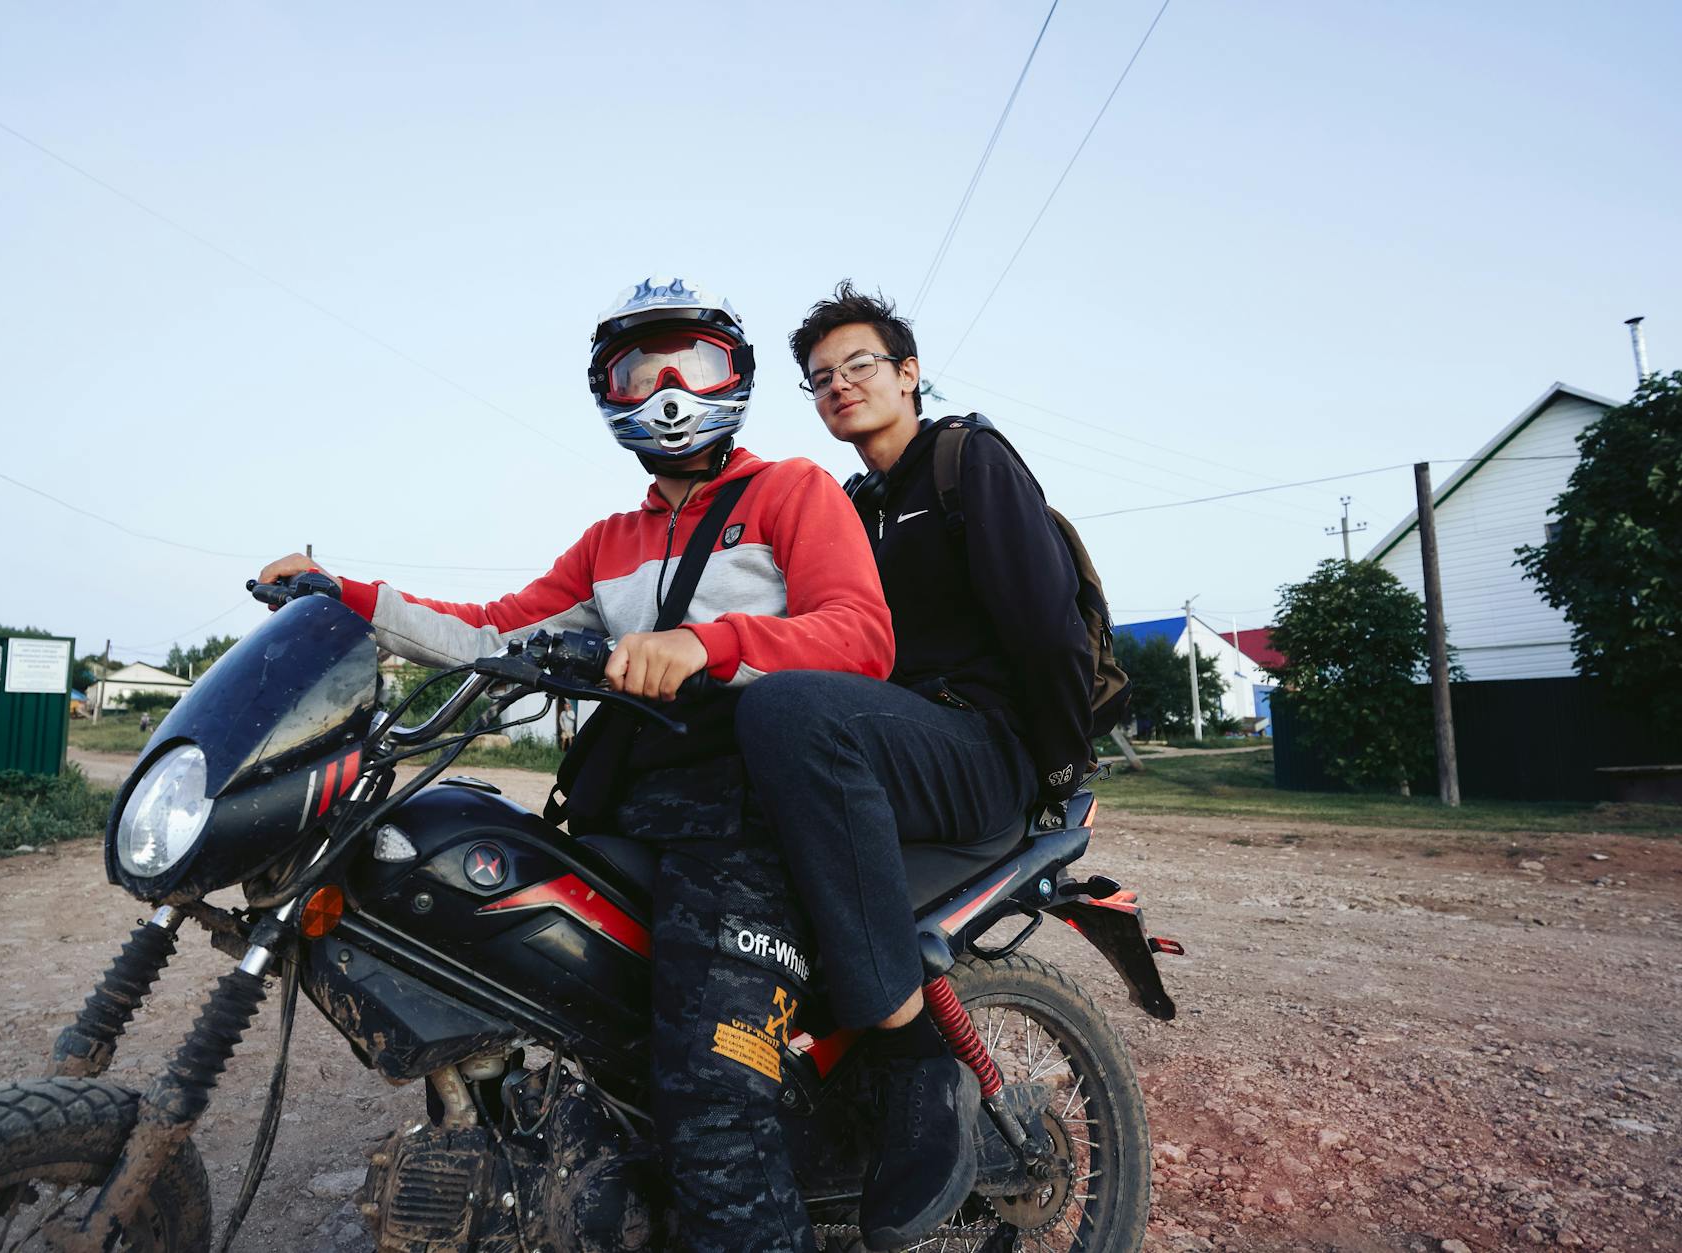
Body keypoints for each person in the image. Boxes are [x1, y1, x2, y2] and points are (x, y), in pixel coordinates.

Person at [259, 276, 893, 1252]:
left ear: (734, 377)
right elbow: (488, 631)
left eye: (694, 364)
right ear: (610, 391)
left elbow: (858, 632)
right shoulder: (610, 544)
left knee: (712, 1107)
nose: (670, 390)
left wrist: (709, 644)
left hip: (752, 818)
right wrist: (341, 595)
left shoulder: (791, 491)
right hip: (634, 812)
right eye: (642, 371)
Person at [734, 282, 1098, 1248]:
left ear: (909, 373)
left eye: (859, 365)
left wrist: (1060, 774)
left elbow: (1047, 626)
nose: (839, 386)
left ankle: (916, 1065)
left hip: (981, 744)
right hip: (892, 743)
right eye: (820, 378)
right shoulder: (852, 503)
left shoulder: (966, 461)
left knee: (787, 707)